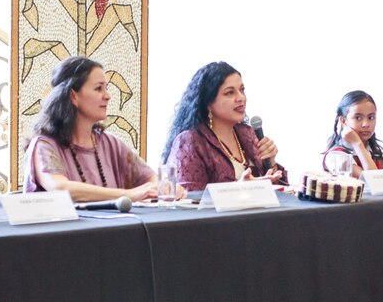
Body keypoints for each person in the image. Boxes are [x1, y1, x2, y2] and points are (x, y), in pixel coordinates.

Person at [24, 56, 174, 202]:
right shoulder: (44, 145)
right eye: (98, 89)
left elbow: (150, 178)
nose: (107, 96)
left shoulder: (111, 143)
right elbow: (59, 187)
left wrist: (164, 187)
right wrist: (127, 195)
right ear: (73, 96)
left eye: (106, 88)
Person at [162, 61, 286, 191]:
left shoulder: (248, 134)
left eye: (242, 90)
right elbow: (188, 199)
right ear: (209, 102)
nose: (241, 98)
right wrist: (238, 189)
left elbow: (282, 195)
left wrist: (270, 163)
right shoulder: (190, 141)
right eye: (230, 93)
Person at [322, 90, 383, 178]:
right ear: (343, 121)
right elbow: (372, 181)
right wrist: (357, 143)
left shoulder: (376, 151)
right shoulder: (336, 155)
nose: (366, 124)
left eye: (371, 117)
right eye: (358, 118)